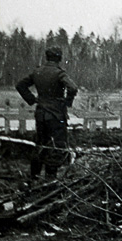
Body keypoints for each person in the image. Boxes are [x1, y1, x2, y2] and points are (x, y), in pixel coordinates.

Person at [16, 46, 79, 181]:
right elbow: (73, 87)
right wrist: (67, 102)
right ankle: (51, 177)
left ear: (47, 57)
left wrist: (32, 100)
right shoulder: (59, 73)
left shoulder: (37, 72)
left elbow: (20, 85)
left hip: (41, 114)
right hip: (56, 115)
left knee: (40, 144)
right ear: (59, 58)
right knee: (57, 145)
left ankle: (35, 176)